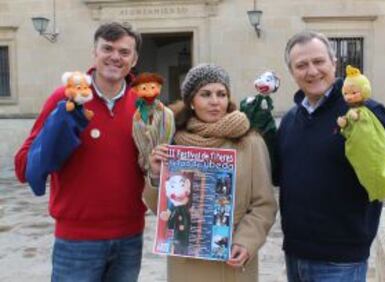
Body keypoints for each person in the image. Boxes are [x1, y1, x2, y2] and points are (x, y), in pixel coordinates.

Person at [14, 22, 146, 282]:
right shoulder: (65, 99)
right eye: (107, 48)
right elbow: (23, 165)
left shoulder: (143, 105)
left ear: (134, 59)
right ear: (94, 52)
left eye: (124, 51)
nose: (115, 57)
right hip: (77, 243)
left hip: (130, 240)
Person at [273, 30, 385, 282]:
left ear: (334, 63)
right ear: (292, 73)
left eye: (318, 61)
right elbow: (279, 176)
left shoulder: (364, 112)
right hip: (294, 253)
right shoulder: (290, 120)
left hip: (340, 260)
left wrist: (369, 149)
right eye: (301, 65)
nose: (312, 71)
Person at [144, 63, 278, 282]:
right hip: (186, 262)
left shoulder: (251, 142)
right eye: (205, 94)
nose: (215, 101)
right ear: (191, 102)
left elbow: (264, 204)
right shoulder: (173, 143)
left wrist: (246, 241)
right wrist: (157, 175)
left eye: (221, 94)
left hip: (232, 261)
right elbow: (159, 209)